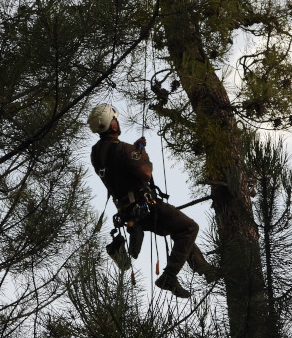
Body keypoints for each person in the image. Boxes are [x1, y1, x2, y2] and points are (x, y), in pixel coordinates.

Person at [88, 103, 218, 298]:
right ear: (111, 125)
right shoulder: (122, 149)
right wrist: (141, 154)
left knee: (179, 229)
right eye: (114, 119)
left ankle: (205, 269)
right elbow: (145, 173)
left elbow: (120, 170)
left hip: (130, 212)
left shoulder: (96, 154)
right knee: (189, 228)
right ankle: (169, 276)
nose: (117, 122)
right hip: (145, 207)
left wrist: (134, 151)